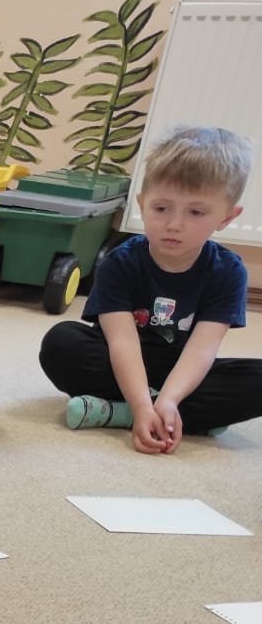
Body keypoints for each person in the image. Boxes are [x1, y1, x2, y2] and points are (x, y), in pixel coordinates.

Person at [38, 125, 258, 452]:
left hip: (181, 369)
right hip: (121, 362)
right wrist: (142, 404)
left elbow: (202, 349)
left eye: (196, 212)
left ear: (227, 217)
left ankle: (127, 412)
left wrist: (169, 398)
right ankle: (167, 415)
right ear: (142, 204)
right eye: (161, 208)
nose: (174, 224)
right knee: (61, 343)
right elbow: (122, 341)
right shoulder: (119, 262)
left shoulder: (228, 271)